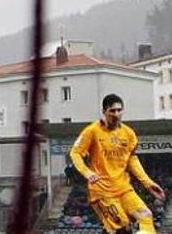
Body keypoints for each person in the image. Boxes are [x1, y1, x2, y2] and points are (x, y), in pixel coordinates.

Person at [70, 94, 166, 234]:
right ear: (104, 112)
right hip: (102, 191)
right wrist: (87, 172)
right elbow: (75, 152)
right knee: (123, 227)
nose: (116, 114)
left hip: (123, 188)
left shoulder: (128, 133)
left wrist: (148, 183)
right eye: (112, 111)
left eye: (119, 110)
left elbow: (132, 160)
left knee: (146, 216)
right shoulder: (92, 131)